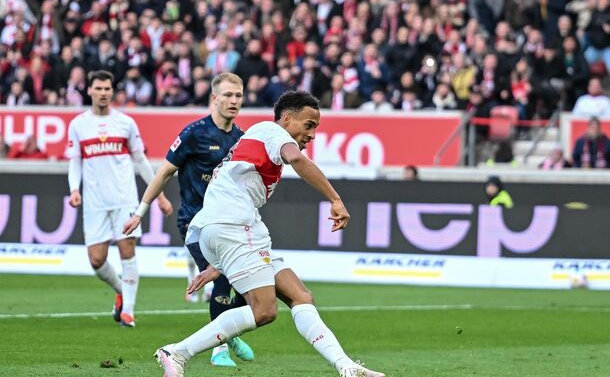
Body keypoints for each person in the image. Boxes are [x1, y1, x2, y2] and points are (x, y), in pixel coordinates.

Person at [153, 91, 384, 377]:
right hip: (234, 226)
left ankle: (346, 367)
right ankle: (177, 352)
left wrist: (219, 262)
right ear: (287, 119)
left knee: (300, 296)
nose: (312, 135)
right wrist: (335, 199)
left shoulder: (258, 142)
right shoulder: (271, 131)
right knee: (264, 311)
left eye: (315, 128)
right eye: (308, 125)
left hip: (228, 228)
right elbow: (297, 161)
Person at [122, 73, 254, 367]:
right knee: (219, 276)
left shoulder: (241, 139)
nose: (234, 101)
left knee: (249, 281)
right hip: (196, 222)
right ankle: (220, 350)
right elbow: (164, 173)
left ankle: (228, 333)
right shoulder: (194, 133)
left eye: (239, 95)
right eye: (229, 95)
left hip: (228, 222)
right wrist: (139, 212)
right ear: (214, 98)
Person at [66, 70, 172, 328]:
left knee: (127, 249)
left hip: (125, 198)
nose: (103, 93)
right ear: (89, 90)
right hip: (95, 202)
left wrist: (158, 195)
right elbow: (75, 161)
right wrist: (74, 189)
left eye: (107, 89)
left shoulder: (126, 122)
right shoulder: (78, 124)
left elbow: (140, 160)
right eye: (98, 88)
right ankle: (121, 292)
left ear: (112, 92)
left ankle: (129, 312)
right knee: (96, 260)